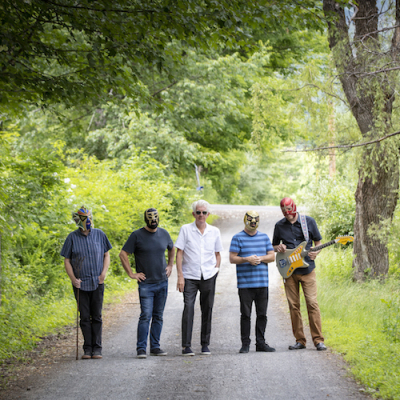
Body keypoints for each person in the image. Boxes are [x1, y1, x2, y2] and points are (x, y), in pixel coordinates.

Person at [272, 197, 327, 351]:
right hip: (289, 272)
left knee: (312, 303)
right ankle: (300, 341)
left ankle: (318, 340)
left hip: (307, 269)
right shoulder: (279, 225)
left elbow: (318, 243)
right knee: (294, 306)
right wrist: (279, 248)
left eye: (289, 212)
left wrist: (316, 252)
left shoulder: (308, 221)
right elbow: (274, 245)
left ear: (294, 209)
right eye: (285, 213)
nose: (287, 215)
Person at [119, 208, 175, 359]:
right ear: (146, 219)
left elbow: (172, 248)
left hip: (162, 282)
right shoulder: (137, 235)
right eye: (150, 218)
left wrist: (170, 265)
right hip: (146, 284)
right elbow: (123, 254)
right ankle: (141, 348)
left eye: (155, 218)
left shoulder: (164, 233)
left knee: (158, 316)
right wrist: (131, 273)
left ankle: (155, 347)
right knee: (145, 315)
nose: (153, 221)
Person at [61, 206, 112, 359]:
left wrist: (103, 274)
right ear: (78, 220)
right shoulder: (72, 237)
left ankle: (97, 348)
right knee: (84, 316)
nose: (87, 221)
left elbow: (106, 255)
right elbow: (67, 260)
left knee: (96, 315)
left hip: (97, 282)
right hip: (80, 284)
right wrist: (73, 279)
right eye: (84, 218)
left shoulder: (100, 235)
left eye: (89, 217)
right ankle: (87, 349)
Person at [175, 200, 223, 356]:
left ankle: (205, 344)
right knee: (188, 307)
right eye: (198, 212)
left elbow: (218, 254)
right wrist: (180, 276)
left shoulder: (214, 231)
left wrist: (216, 269)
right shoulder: (186, 230)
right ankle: (186, 345)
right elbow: (179, 253)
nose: (201, 215)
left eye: (203, 212)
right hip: (189, 275)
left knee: (207, 309)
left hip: (209, 275)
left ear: (208, 214)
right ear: (193, 214)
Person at [229, 211, 276, 354]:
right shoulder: (237, 238)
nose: (253, 223)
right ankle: (245, 344)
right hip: (245, 284)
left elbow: (272, 256)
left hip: (262, 283)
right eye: (251, 220)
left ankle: (260, 343)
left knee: (262, 314)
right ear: (246, 220)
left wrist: (260, 259)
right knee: (246, 315)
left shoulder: (264, 237)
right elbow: (232, 258)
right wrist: (246, 259)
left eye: (255, 220)